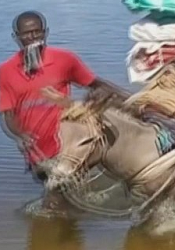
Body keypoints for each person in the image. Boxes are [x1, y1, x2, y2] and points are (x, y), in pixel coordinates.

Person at [0, 11, 124, 208]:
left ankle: (60, 227)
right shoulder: (5, 71)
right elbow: (7, 115)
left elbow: (96, 84)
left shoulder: (65, 60)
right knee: (51, 185)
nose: (32, 38)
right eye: (26, 34)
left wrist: (129, 100)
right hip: (35, 148)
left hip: (67, 141)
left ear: (46, 33)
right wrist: (19, 136)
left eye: (37, 32)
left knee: (55, 199)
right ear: (16, 37)